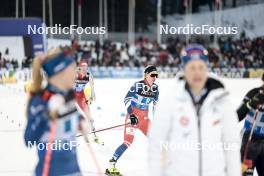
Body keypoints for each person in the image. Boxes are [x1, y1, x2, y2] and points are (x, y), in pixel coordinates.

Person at [148, 44, 241, 176]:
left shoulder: (222, 101)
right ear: (184, 70)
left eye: (201, 67)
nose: (197, 72)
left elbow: (231, 146)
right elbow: (156, 145)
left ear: (207, 68)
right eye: (192, 67)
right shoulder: (170, 100)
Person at [24, 48, 89, 176]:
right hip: (50, 171)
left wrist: (81, 122)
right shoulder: (41, 100)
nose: (76, 74)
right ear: (60, 72)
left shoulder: (68, 97)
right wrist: (48, 114)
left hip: (73, 169)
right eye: (72, 70)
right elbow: (29, 139)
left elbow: (71, 117)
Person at [105, 65, 159, 176]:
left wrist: (157, 120)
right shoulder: (138, 85)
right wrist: (132, 115)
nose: (154, 77)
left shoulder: (155, 88)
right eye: (152, 75)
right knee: (127, 142)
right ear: (146, 75)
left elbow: (155, 106)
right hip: (132, 117)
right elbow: (127, 99)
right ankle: (111, 166)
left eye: (156, 75)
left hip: (144, 119)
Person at [237, 73, 264, 176]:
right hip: (250, 142)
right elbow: (236, 116)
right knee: (245, 174)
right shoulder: (254, 93)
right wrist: (251, 104)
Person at [74, 61, 101, 144]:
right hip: (72, 96)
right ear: (80, 68)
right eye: (83, 68)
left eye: (86, 68)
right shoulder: (75, 74)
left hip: (81, 97)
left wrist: (92, 95)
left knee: (89, 117)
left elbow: (92, 87)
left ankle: (95, 136)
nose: (85, 70)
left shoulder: (89, 75)